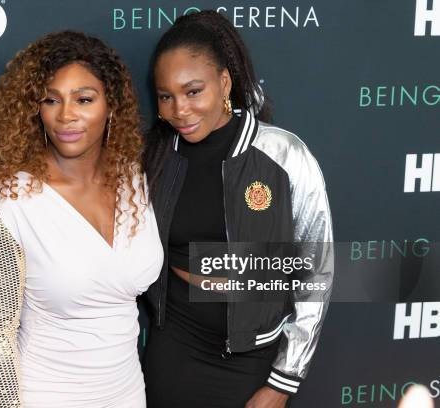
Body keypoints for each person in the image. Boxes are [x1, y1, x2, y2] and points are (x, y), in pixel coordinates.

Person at [0, 31, 163, 408]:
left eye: (84, 99)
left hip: (128, 392)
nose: (66, 114)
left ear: (111, 105)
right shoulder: (11, 201)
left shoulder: (134, 178)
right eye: (51, 100)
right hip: (48, 394)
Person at [142, 11, 334, 408]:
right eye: (166, 96)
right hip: (175, 349)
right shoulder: (154, 159)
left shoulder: (283, 154)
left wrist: (283, 381)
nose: (180, 110)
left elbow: (316, 268)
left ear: (224, 82)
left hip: (254, 361)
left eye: (194, 91)